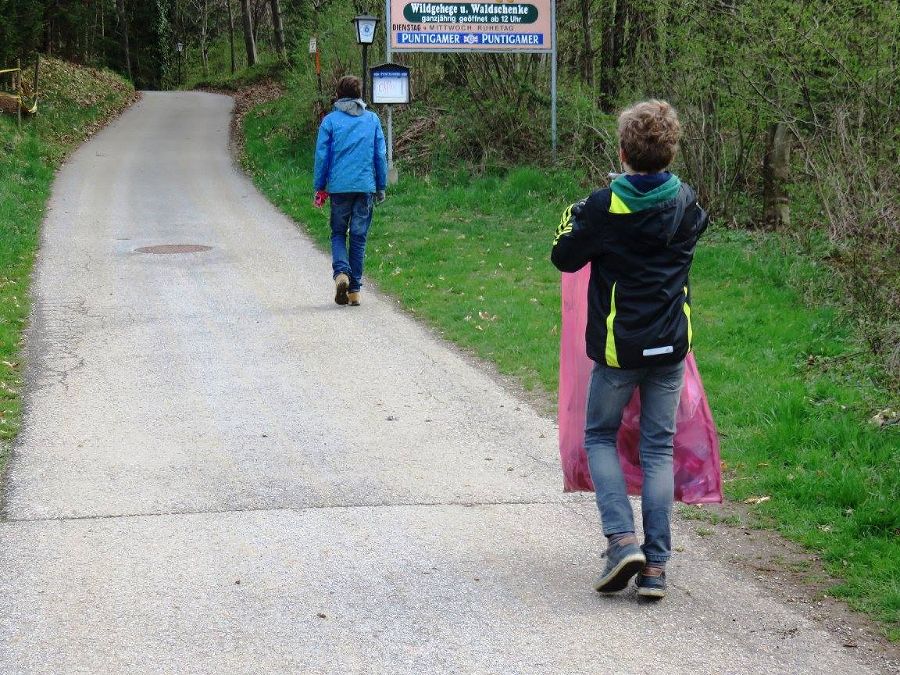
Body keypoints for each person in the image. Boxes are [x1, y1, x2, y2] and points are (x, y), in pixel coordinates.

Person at [551, 100, 708, 599]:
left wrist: (573, 215)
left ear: (622, 152)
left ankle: (622, 541)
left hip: (619, 352)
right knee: (658, 449)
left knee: (598, 435)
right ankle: (656, 567)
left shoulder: (602, 208)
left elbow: (564, 255)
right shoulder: (686, 203)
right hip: (670, 349)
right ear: (671, 151)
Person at [314, 75, 388, 306]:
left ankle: (341, 274)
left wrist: (320, 185)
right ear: (359, 95)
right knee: (358, 237)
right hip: (365, 186)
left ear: (338, 95)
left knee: (338, 232)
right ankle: (354, 291)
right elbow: (380, 155)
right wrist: (381, 185)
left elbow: (322, 156)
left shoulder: (330, 122)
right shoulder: (372, 120)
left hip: (339, 188)